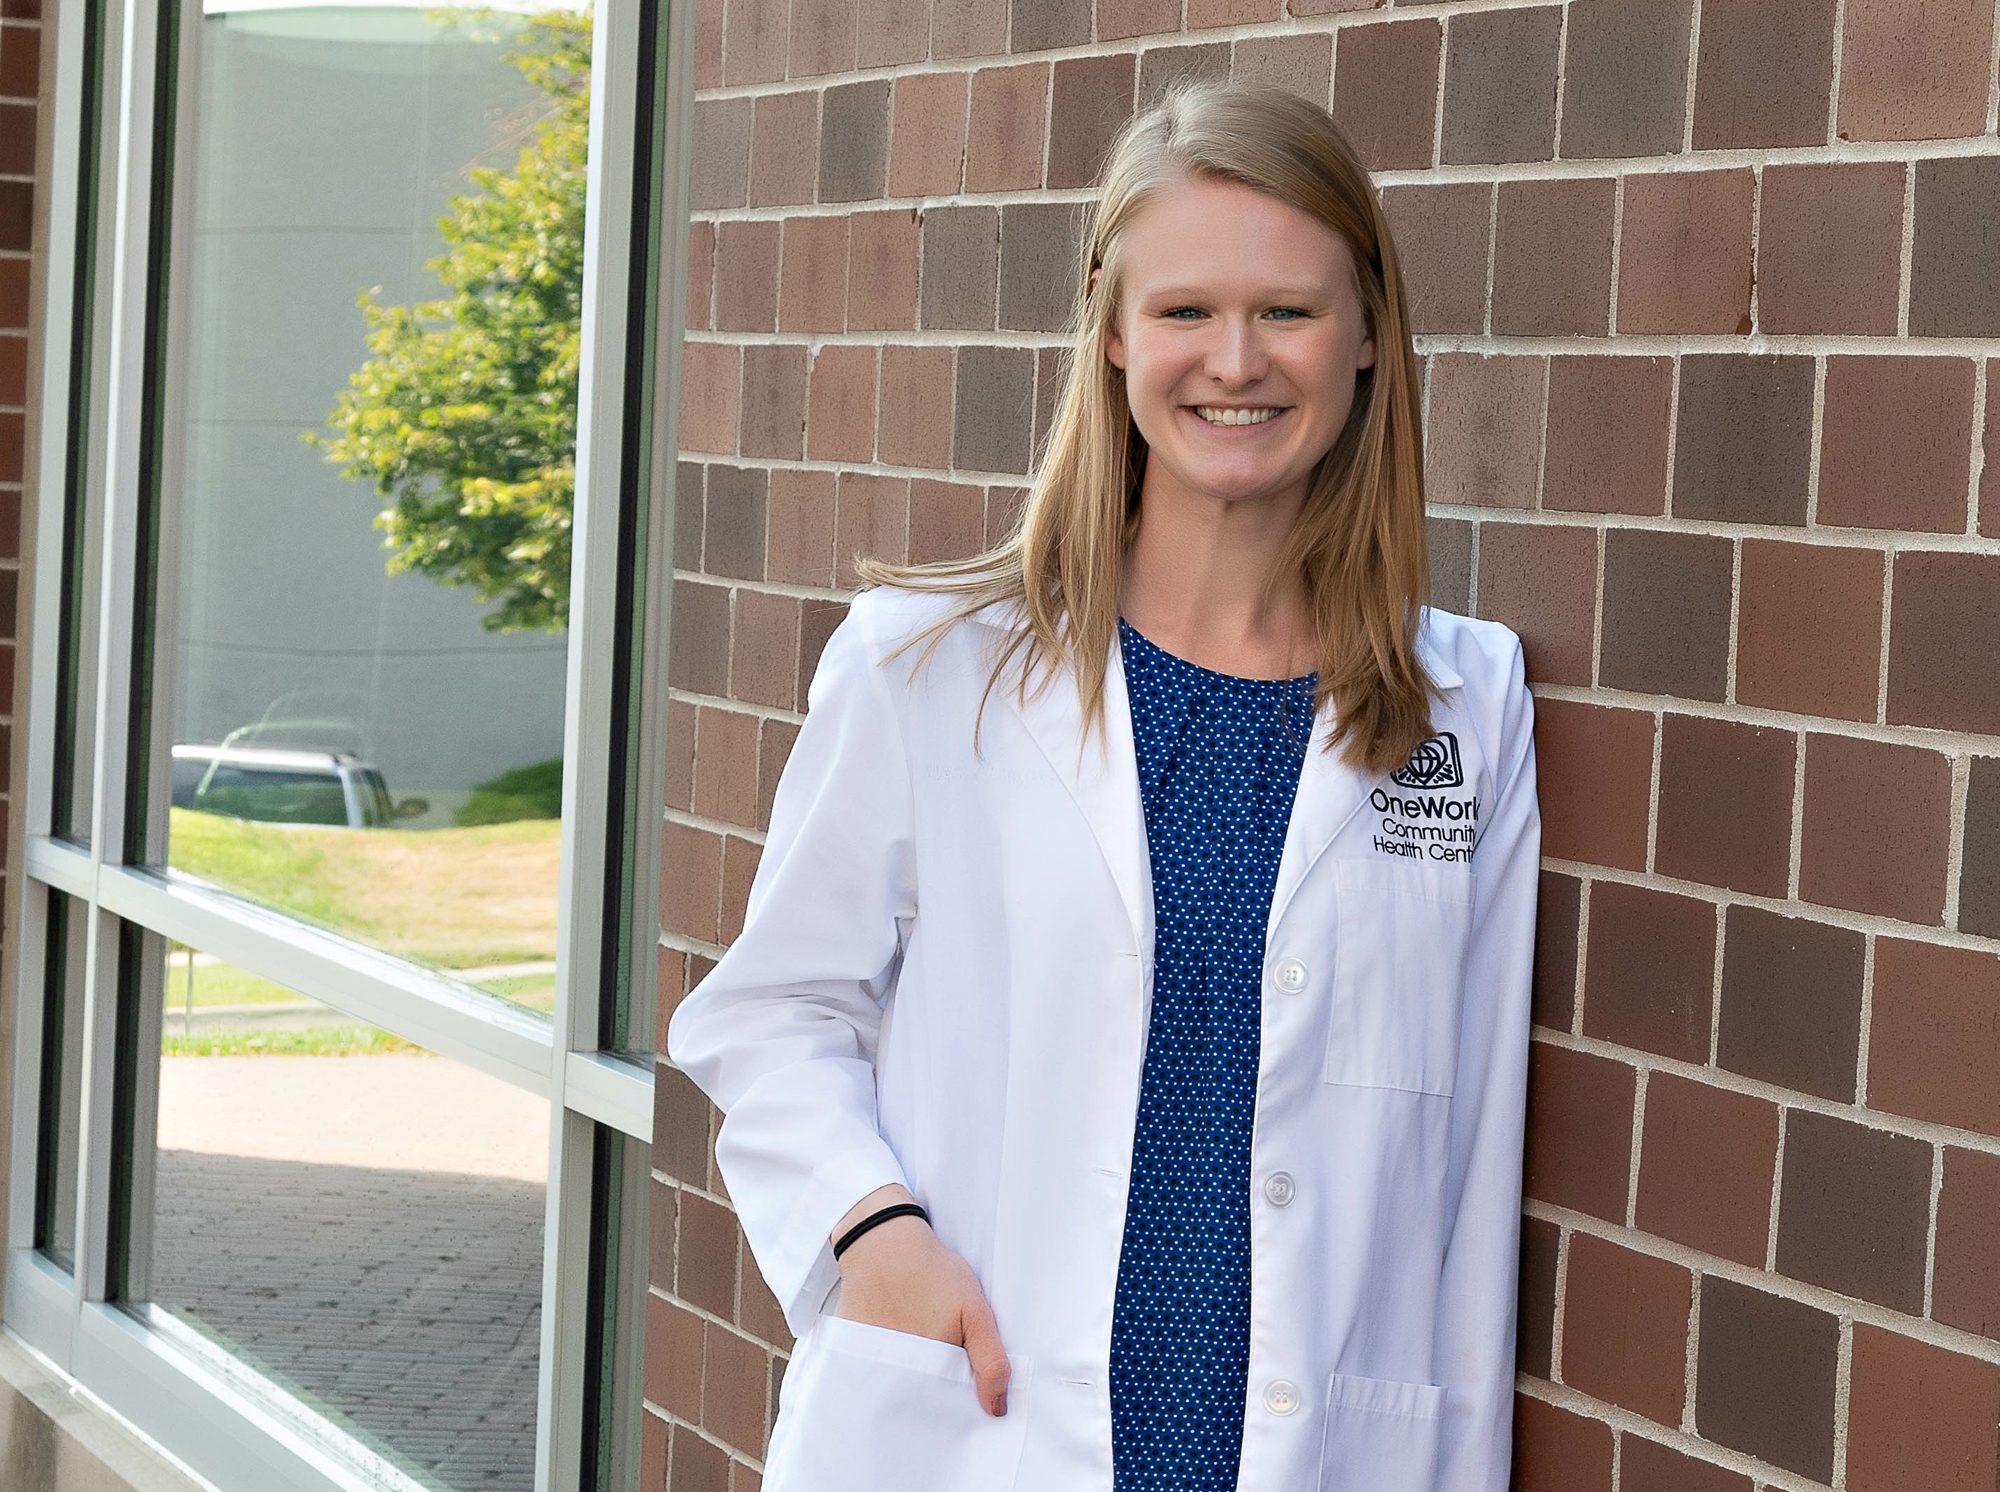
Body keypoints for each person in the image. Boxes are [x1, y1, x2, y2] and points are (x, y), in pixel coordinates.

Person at [665, 77, 1540, 1492]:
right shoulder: (927, 668)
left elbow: (1470, 1170)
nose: (1236, 361)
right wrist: (871, 1230)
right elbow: (770, 1015)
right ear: (1115, 329)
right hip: (976, 1428)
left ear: (1369, 331)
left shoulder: (1468, 709)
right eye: (1187, 309)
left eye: (1290, 311)